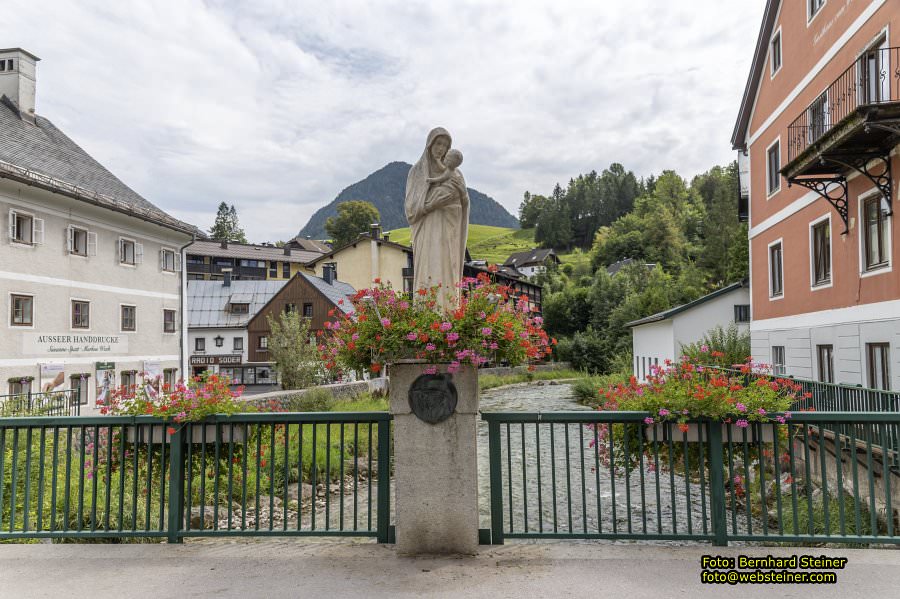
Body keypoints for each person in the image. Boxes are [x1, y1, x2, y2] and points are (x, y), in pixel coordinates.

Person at [404, 128, 470, 309]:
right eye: (438, 144)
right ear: (430, 144)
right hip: (427, 231)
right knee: (428, 268)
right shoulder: (417, 172)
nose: (441, 149)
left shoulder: (456, 174)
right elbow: (410, 210)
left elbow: (464, 203)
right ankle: (427, 313)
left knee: (448, 266)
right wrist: (433, 205)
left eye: (445, 145)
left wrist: (463, 195)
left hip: (449, 230)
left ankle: (449, 311)